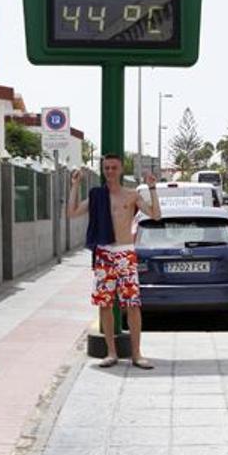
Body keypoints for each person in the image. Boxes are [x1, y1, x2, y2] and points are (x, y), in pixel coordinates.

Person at [67, 154, 162, 369]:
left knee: (133, 304)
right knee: (105, 304)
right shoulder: (97, 196)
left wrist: (152, 189)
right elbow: (71, 213)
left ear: (121, 169)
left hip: (125, 254)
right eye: (106, 168)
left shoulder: (132, 195)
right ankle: (111, 353)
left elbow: (156, 215)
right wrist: (75, 186)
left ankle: (137, 354)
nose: (109, 171)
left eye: (113, 167)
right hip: (104, 254)